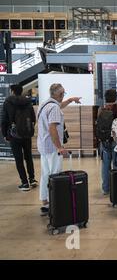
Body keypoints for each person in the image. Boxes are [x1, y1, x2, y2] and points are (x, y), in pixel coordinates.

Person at [37, 83, 81, 216]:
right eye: (63, 94)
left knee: (45, 173)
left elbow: (59, 105)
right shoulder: (54, 108)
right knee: (55, 173)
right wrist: (60, 147)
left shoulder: (45, 104)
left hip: (43, 145)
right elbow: (52, 128)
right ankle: (54, 202)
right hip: (52, 147)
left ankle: (45, 201)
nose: (63, 96)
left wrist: (70, 100)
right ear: (58, 94)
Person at [1, 84, 37, 191]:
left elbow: (4, 120)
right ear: (21, 91)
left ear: (12, 91)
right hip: (27, 134)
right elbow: (33, 118)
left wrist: (5, 134)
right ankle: (32, 179)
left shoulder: (7, 102)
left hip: (14, 134)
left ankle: (24, 183)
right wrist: (28, 129)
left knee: (18, 159)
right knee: (28, 156)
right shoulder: (28, 102)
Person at [96, 89, 117, 195]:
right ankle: (116, 188)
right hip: (116, 141)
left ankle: (106, 188)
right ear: (115, 97)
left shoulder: (101, 109)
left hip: (104, 141)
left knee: (105, 165)